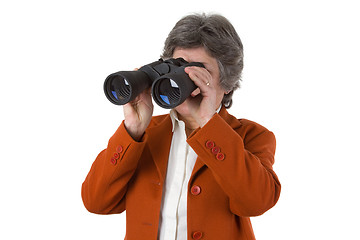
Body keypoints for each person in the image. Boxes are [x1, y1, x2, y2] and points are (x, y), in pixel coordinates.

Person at [82, 13, 281, 240]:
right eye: (177, 67)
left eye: (198, 71)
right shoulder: (144, 135)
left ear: (226, 83)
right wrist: (132, 129)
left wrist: (207, 122)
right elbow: (95, 201)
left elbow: (257, 202)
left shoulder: (251, 136)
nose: (184, 78)